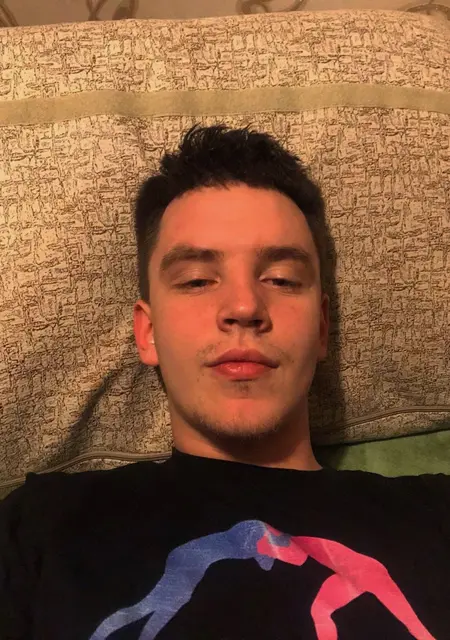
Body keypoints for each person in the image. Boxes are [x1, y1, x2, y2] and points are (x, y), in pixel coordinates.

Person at [0, 123, 448, 640]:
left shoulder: (436, 516)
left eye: (281, 279)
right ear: (148, 333)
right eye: (196, 280)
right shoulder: (40, 526)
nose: (244, 306)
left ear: (322, 329)